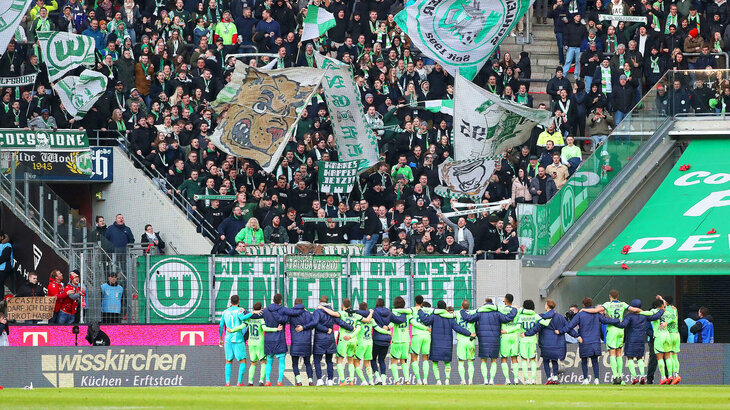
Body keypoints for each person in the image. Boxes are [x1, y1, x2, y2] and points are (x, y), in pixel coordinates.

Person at [559, 297, 621, 384]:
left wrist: (561, 332)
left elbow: (570, 326)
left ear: (583, 305)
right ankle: (596, 379)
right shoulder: (596, 314)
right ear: (591, 304)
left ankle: (585, 379)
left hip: (584, 341)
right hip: (595, 341)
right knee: (595, 361)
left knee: (584, 361)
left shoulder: (580, 315)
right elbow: (606, 320)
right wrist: (618, 320)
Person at [297, 295, 353, 386]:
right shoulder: (332, 312)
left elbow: (315, 323)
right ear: (327, 302)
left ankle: (319, 380)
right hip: (330, 339)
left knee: (317, 360)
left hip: (319, 339)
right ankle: (330, 380)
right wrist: (351, 328)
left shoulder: (317, 311)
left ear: (320, 302)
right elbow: (341, 322)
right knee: (329, 361)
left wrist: (304, 327)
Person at [460, 297, 517, 385]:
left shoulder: (480, 313)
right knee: (494, 360)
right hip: (495, 338)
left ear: (485, 303)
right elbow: (507, 318)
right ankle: (492, 380)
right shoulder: (497, 313)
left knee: (484, 360)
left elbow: (469, 318)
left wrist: (462, 310)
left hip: (483, 339)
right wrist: (514, 310)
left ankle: (485, 380)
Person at [418, 301, 474, 385]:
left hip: (436, 343)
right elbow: (458, 328)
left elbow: (425, 321)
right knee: (447, 363)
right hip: (447, 344)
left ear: (437, 306)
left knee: (435, 362)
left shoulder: (434, 316)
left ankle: (438, 380)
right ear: (445, 308)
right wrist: (469, 333)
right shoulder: (449, 317)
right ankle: (447, 380)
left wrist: (419, 311)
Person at [353, 298, 406, 385]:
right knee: (382, 360)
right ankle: (384, 380)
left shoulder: (374, 312)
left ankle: (378, 378)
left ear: (377, 303)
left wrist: (353, 311)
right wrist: (404, 312)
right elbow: (400, 320)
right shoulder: (389, 312)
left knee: (373, 359)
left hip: (377, 340)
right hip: (386, 340)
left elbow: (365, 313)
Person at [620, 299, 664, 384]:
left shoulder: (629, 316)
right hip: (640, 339)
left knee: (630, 358)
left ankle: (634, 377)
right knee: (640, 358)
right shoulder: (644, 315)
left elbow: (623, 325)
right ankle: (643, 376)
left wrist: (614, 321)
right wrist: (662, 310)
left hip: (631, 339)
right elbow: (655, 317)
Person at [219, 295, 256, 387]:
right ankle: (239, 382)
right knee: (242, 360)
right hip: (238, 338)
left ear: (230, 302)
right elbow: (243, 318)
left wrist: (220, 338)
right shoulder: (240, 310)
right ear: (238, 301)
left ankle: (227, 383)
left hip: (227, 339)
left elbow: (221, 326)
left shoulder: (225, 312)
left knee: (228, 361)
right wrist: (252, 312)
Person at [280, 298, 314, 386]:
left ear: (294, 304)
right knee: (307, 363)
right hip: (306, 342)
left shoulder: (291, 314)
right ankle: (310, 381)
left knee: (295, 363)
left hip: (295, 342)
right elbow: (314, 324)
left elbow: (283, 320)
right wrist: (304, 326)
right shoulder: (308, 314)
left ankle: (299, 381)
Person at [262, 293, 293, 386]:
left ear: (273, 299)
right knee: (281, 361)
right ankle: (279, 381)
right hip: (279, 338)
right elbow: (289, 316)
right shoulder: (282, 310)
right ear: (281, 301)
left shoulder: (266, 310)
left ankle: (267, 380)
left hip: (268, 339)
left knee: (269, 361)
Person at [516, 300, 542, 385]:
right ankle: (534, 379)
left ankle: (526, 379)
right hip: (532, 340)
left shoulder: (521, 316)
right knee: (533, 359)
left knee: (523, 359)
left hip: (523, 339)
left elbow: (517, 326)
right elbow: (540, 325)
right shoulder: (535, 315)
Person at [456, 300, 478, 384]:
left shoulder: (457, 313)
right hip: (471, 340)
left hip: (461, 340)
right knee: (470, 361)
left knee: (461, 362)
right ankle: (470, 380)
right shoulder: (473, 312)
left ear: (461, 306)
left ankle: (463, 380)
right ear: (468, 306)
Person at [0, 231, 12, 300]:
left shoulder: (7, 245)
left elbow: (5, 257)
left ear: (1, 237)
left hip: (4, 268)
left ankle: (1, 300)